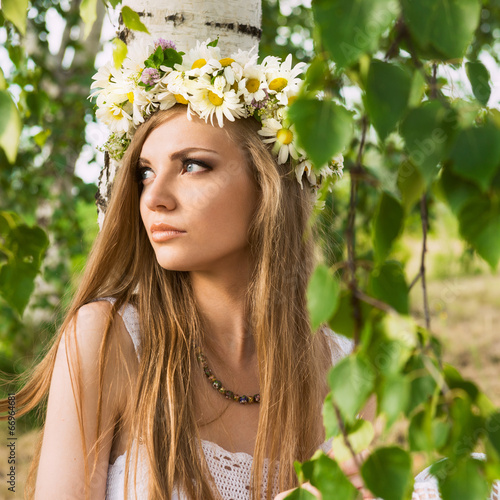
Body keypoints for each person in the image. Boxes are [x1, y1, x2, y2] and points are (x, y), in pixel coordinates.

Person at [1, 38, 492, 500]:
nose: (154, 197)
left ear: (270, 185)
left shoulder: (347, 372)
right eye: (145, 172)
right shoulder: (109, 338)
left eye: (193, 165)